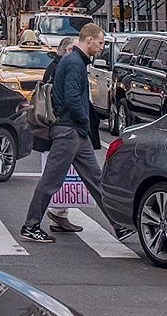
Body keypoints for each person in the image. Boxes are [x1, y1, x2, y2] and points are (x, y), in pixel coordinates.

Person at [21, 23, 135, 243]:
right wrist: (84, 120)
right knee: (50, 181)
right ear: (89, 40)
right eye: (100, 43)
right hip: (69, 131)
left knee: (96, 180)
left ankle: (118, 225)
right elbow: (73, 98)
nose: (102, 48)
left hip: (75, 132)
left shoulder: (75, 61)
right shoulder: (74, 63)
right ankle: (30, 226)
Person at [32, 36, 81, 234]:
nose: (74, 52)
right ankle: (36, 221)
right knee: (54, 177)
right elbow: (64, 98)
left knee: (75, 174)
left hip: (68, 128)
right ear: (62, 50)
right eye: (71, 48)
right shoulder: (59, 67)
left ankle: (59, 213)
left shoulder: (68, 65)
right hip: (63, 127)